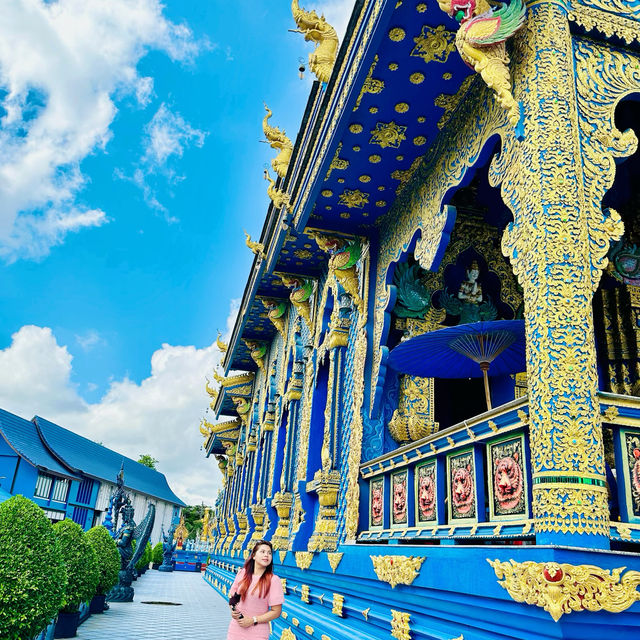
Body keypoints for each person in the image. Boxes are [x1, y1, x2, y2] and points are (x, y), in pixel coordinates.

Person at [227, 540, 283, 640]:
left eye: (269, 553)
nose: (266, 555)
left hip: (257, 631)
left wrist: (253, 620)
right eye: (262, 552)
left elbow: (276, 611)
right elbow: (233, 597)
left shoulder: (274, 580)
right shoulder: (242, 573)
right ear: (253, 556)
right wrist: (233, 610)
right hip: (236, 628)